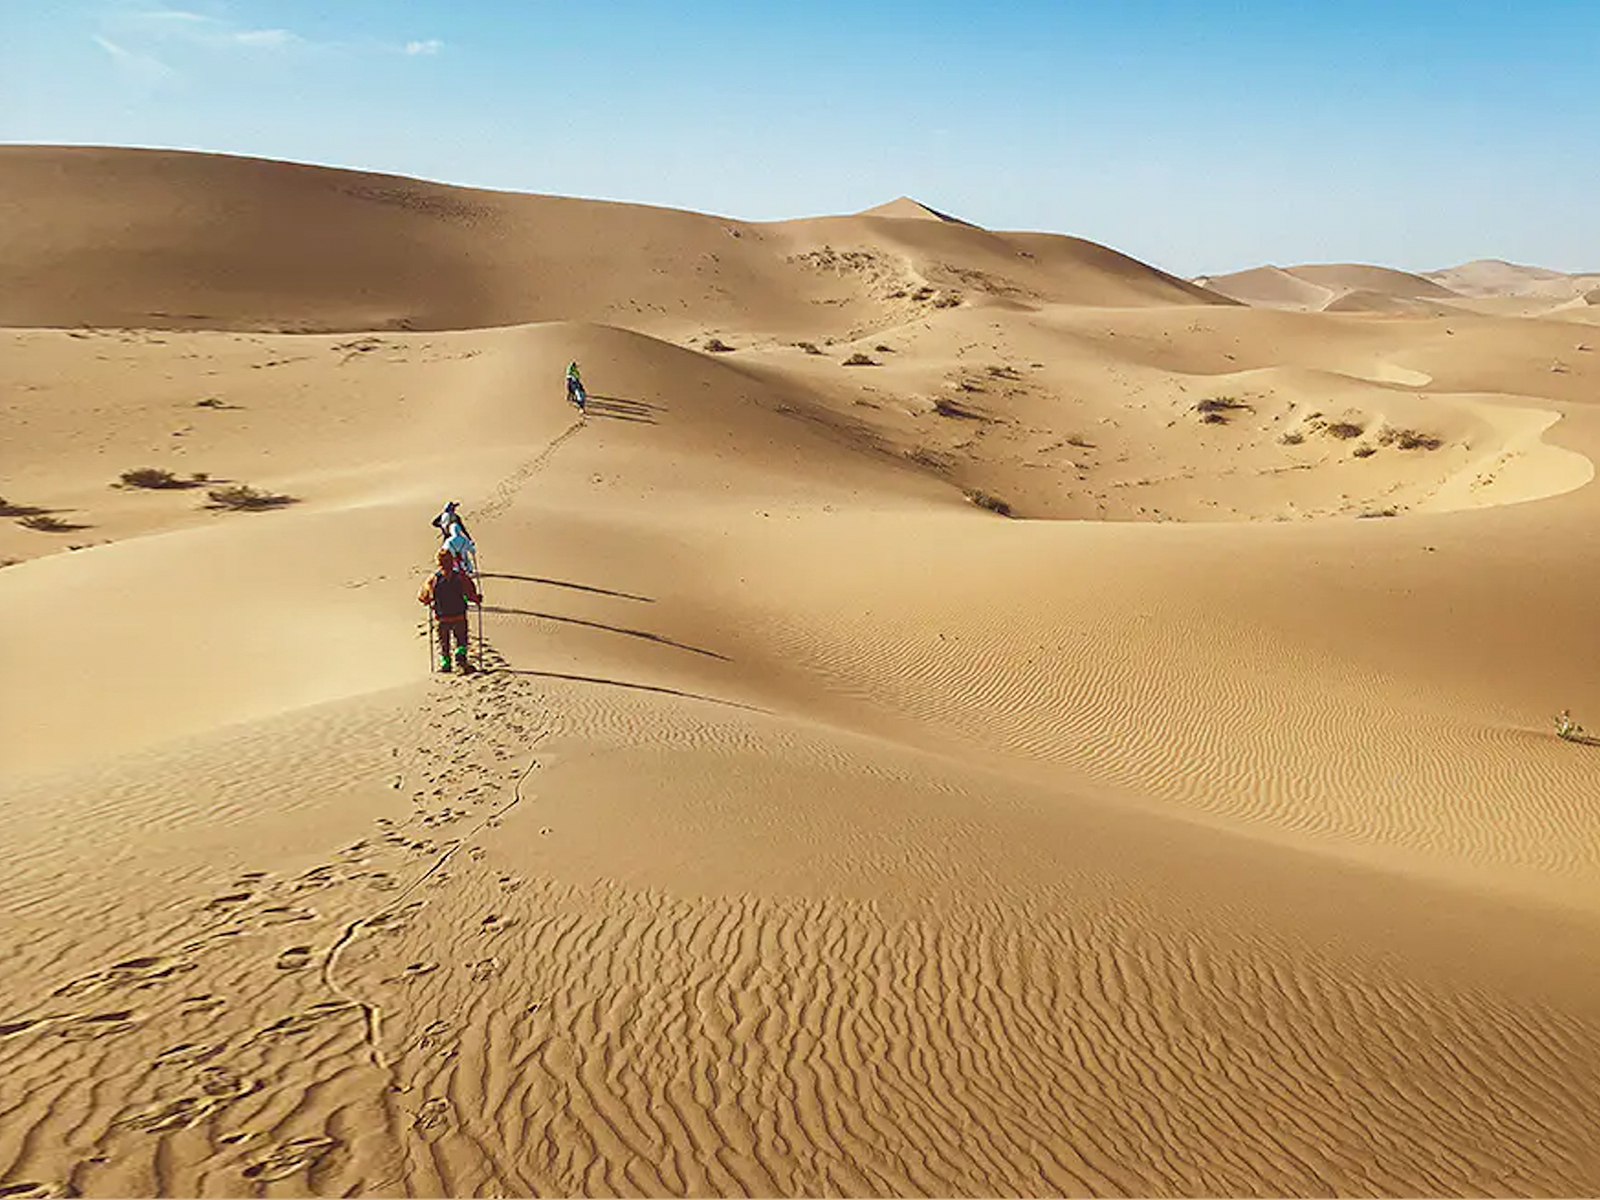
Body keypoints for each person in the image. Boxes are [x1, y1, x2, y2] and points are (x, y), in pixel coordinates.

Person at [418, 546, 482, 673]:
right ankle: (460, 657)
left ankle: (445, 663)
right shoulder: (461, 577)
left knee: (444, 643)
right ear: (452, 561)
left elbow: (423, 597)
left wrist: (430, 600)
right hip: (459, 615)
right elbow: (471, 595)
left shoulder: (433, 579)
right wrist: (477, 599)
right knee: (461, 639)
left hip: (442, 617)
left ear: (438, 562)